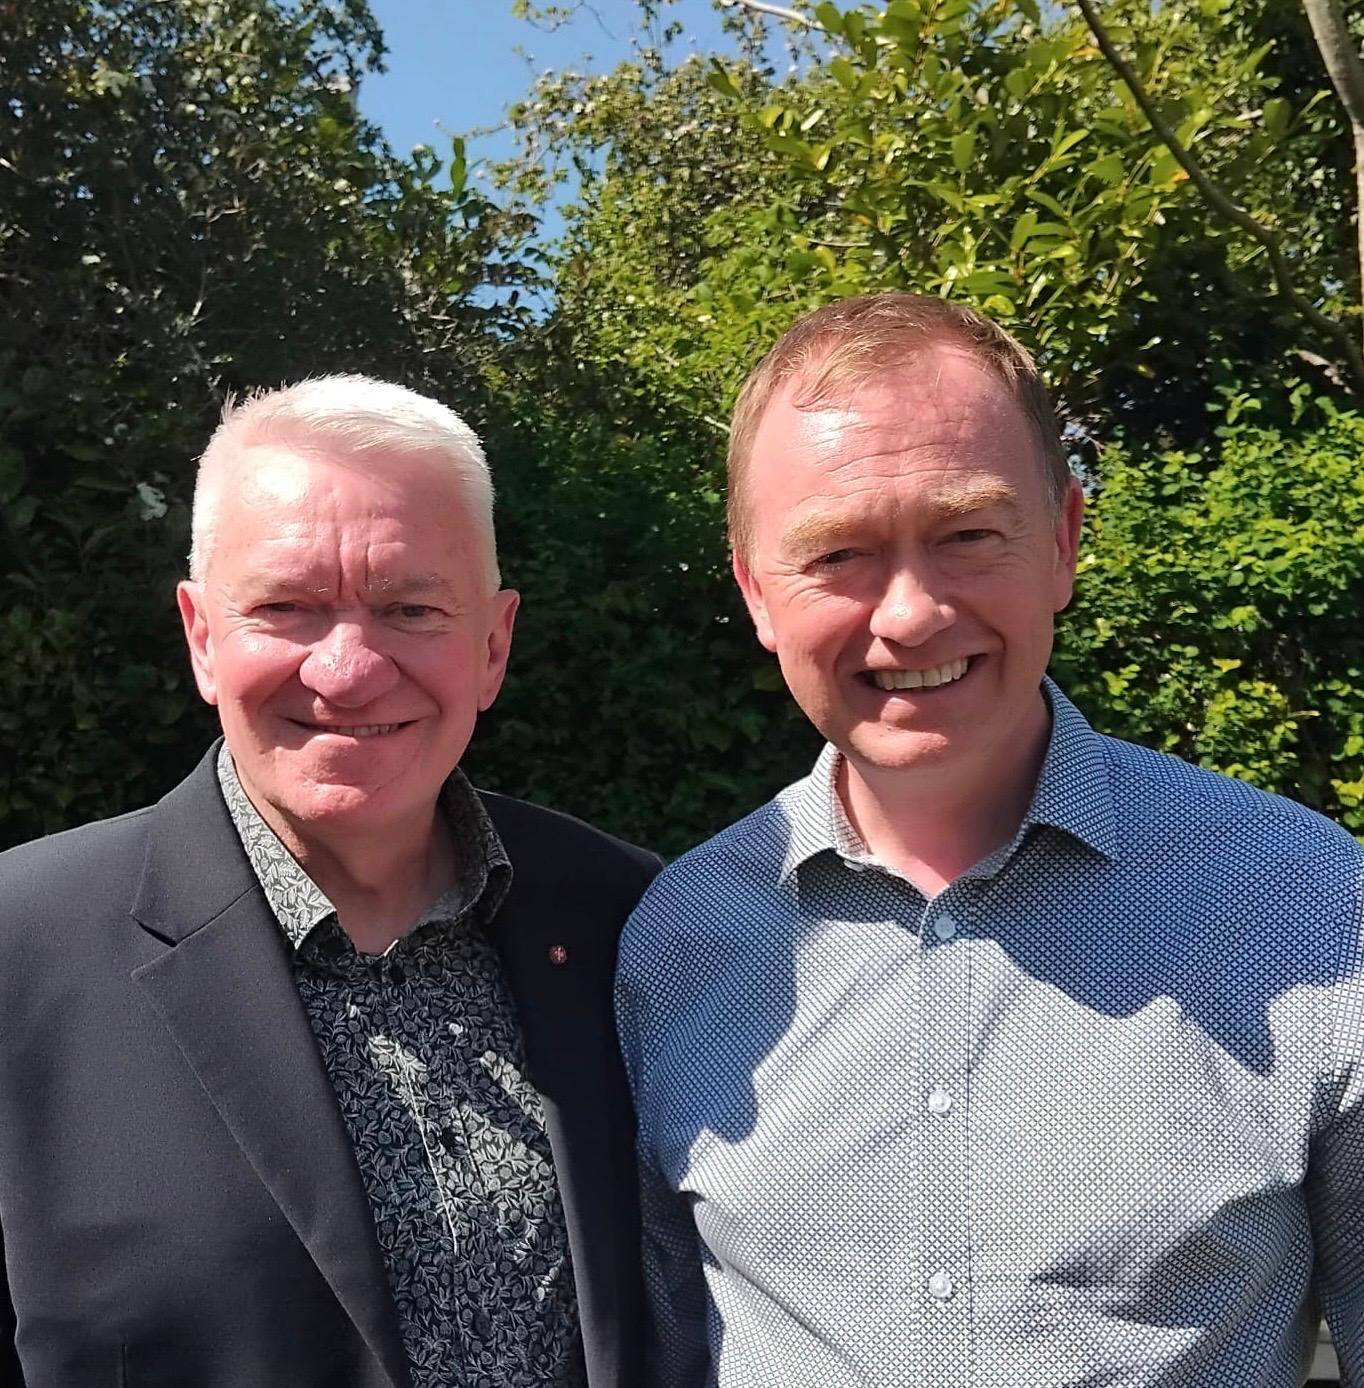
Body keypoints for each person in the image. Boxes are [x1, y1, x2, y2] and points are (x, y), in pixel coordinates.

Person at [616, 293, 1364, 1385]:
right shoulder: (675, 942)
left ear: (1061, 540)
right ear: (755, 591)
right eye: (836, 554)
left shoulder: (1309, 908)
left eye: (967, 533)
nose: (911, 612)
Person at [0, 377, 659, 1388]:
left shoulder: (635, 923)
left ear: (491, 644)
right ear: (200, 636)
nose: (347, 668)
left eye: (409, 607)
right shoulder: (21, 947)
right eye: (286, 607)